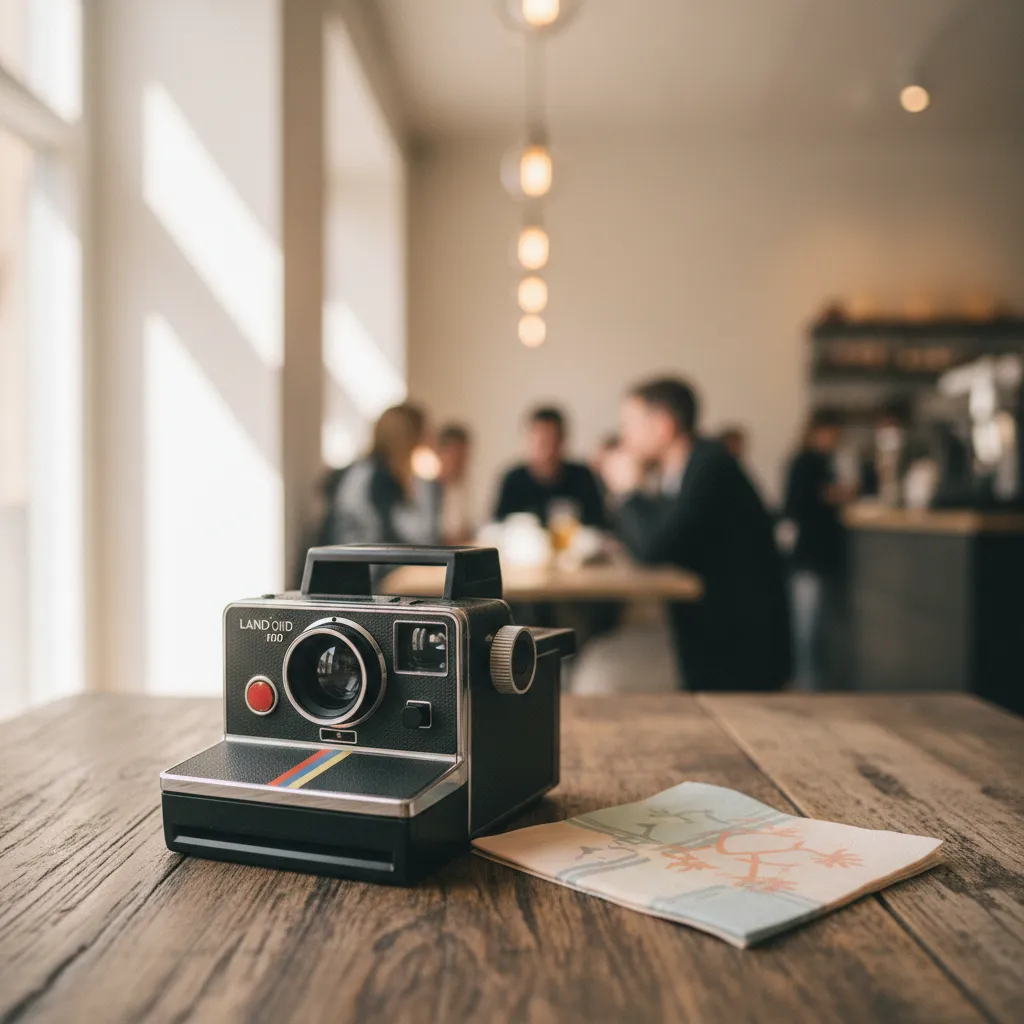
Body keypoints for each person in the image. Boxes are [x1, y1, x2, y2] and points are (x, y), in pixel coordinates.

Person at [600, 377, 791, 691]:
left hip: (741, 649)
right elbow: (651, 541)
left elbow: (653, 549)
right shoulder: (682, 471)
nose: (624, 437)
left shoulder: (710, 467)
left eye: (629, 424)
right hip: (717, 637)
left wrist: (629, 492)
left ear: (663, 426)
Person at [782, 409, 851, 691]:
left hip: (819, 556)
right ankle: (808, 687)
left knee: (817, 628)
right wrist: (835, 494)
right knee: (807, 629)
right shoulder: (805, 462)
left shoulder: (824, 461)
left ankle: (816, 684)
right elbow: (797, 503)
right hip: (809, 556)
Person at [327, 403, 439, 547]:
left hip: (361, 560)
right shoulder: (377, 479)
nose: (430, 441)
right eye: (424, 434)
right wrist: (425, 484)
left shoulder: (367, 471)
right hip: (353, 564)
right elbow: (419, 535)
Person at [494, 406, 605, 528]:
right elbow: (498, 526)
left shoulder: (582, 476)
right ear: (528, 441)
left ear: (562, 441)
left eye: (552, 441)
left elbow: (598, 525)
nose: (547, 451)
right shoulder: (513, 479)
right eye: (541, 443)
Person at [437, 423, 473, 545]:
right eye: (455, 454)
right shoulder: (430, 490)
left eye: (464, 455)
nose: (461, 461)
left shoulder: (461, 488)